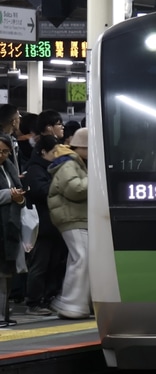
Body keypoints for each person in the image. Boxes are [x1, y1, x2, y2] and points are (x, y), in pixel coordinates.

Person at [47, 127, 89, 319]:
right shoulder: (69, 165)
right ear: (82, 147)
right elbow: (75, 190)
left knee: (79, 258)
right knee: (82, 257)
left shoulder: (75, 163)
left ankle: (71, 302)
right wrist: (95, 179)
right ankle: (71, 304)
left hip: (74, 217)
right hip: (71, 217)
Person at [23, 133, 67, 316]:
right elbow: (42, 191)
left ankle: (48, 298)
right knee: (40, 265)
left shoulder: (50, 167)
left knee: (53, 264)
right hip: (42, 225)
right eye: (53, 151)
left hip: (54, 224)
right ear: (43, 152)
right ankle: (33, 302)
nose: (57, 154)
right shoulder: (35, 170)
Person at [0, 139, 27, 326]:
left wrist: (18, 198)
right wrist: (10, 194)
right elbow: (10, 192)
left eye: (5, 151)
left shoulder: (8, 166)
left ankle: (4, 314)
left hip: (9, 225)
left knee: (7, 272)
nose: (2, 155)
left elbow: (19, 194)